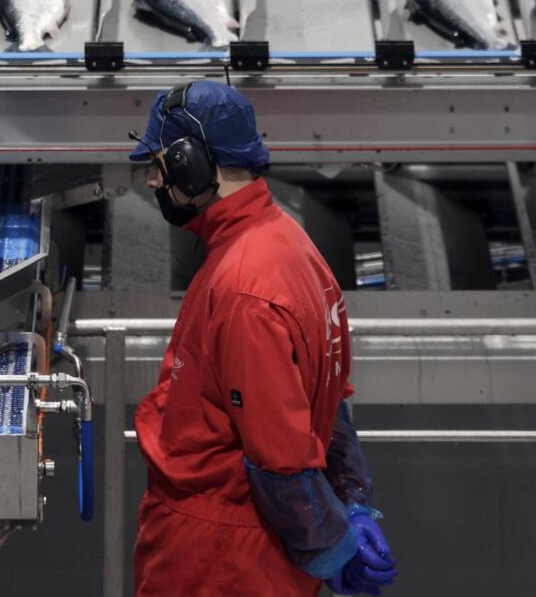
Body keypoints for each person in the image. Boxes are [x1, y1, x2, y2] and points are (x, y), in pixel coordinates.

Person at [128, 80, 398, 596]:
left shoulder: (244, 286)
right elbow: (329, 401)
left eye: (159, 166)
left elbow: (281, 457)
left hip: (221, 557)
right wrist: (352, 502)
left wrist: (330, 548)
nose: (150, 182)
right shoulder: (290, 244)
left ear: (191, 163)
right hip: (260, 547)